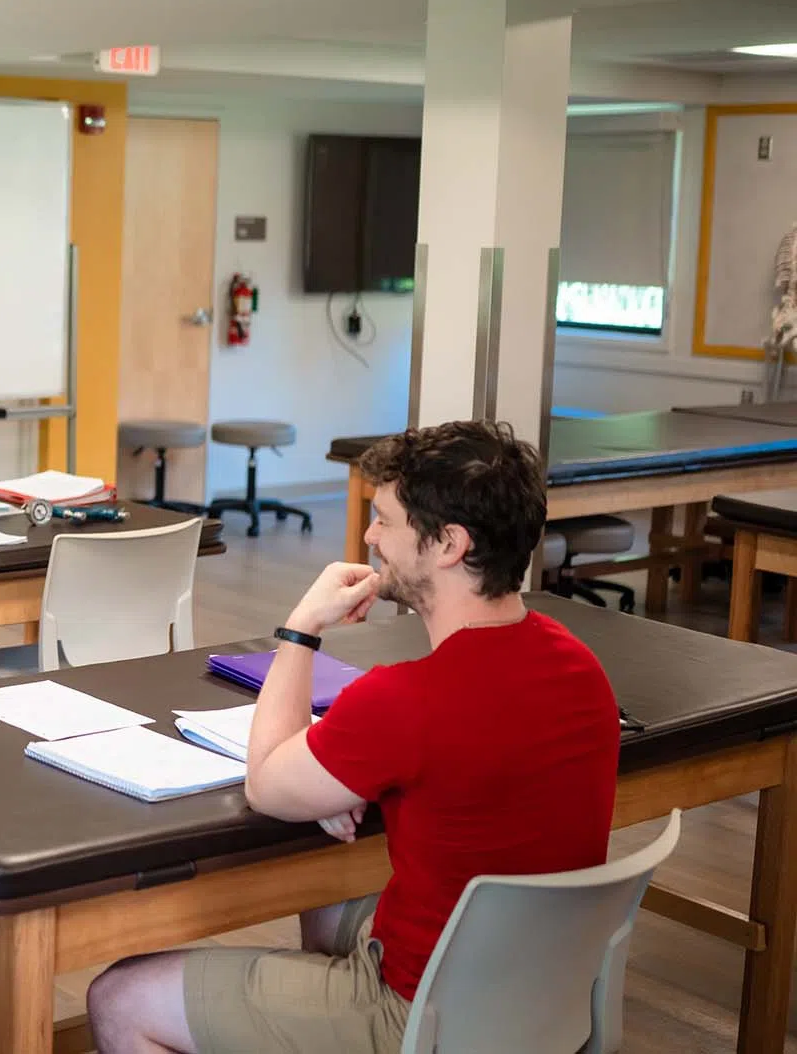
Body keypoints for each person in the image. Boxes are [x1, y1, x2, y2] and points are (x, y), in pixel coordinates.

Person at [87, 420, 620, 1054]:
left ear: (448, 544)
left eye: (385, 520)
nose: (369, 537)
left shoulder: (404, 698)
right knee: (324, 898)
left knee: (118, 998)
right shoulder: (579, 665)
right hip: (538, 996)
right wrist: (365, 780)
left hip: (421, 1016)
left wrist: (301, 628)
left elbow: (267, 784)